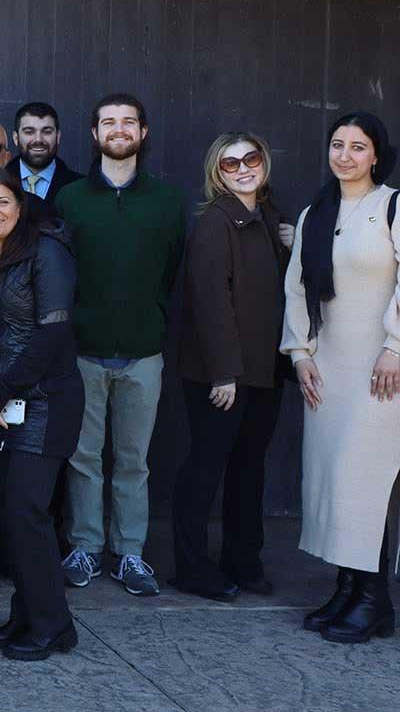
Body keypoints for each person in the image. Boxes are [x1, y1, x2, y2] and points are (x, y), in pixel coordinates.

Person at [54, 93, 185, 597]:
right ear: (95, 134)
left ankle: (130, 553)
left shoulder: (166, 201)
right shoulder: (70, 199)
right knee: (84, 456)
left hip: (143, 353)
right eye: (109, 122)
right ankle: (84, 546)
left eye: (128, 122)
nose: (119, 129)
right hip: (83, 352)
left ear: (143, 132)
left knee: (134, 460)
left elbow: (171, 271)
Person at [0, 166, 84, 661]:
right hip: (2, 403)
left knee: (28, 514)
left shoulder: (47, 252)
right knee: (12, 517)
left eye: (2, 202)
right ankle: (28, 614)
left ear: (21, 205)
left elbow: (52, 336)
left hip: (47, 401)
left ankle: (54, 625)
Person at [283, 111, 400, 644]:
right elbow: (296, 290)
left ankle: (375, 599)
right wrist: (300, 353)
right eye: (337, 144)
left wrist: (396, 346)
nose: (346, 155)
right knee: (332, 480)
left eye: (358, 146)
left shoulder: (393, 206)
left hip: (380, 370)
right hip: (327, 367)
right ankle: (348, 588)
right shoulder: (315, 213)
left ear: (376, 154)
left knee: (367, 483)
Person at [170, 133, 292, 602]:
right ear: (216, 173)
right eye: (229, 163)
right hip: (221, 377)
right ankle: (192, 568)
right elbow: (210, 302)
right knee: (205, 469)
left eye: (252, 157)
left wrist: (294, 244)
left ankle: (243, 560)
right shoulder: (214, 224)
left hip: (263, 372)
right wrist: (225, 372)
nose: (243, 168)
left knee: (249, 468)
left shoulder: (272, 218)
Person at [4, 102, 82, 206]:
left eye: (47, 132)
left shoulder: (80, 187)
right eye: (29, 132)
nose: (38, 140)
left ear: (58, 137)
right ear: (15, 138)